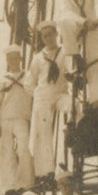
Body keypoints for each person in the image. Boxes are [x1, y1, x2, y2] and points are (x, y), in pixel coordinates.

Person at [25, 23, 70, 186]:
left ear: (56, 34)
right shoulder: (38, 58)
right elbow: (29, 83)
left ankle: (71, 133)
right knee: (44, 134)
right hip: (43, 96)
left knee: (73, 106)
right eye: (45, 36)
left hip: (60, 93)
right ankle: (46, 172)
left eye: (51, 34)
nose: (48, 38)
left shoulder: (65, 52)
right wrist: (39, 96)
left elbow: (71, 70)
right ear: (42, 39)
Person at [0, 45, 35, 194]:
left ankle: (25, 183)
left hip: (21, 117)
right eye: (10, 59)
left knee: (24, 148)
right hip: (5, 119)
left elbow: (34, 95)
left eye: (15, 58)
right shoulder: (2, 79)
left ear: (20, 59)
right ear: (7, 60)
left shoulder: (27, 76)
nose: (13, 61)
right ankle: (10, 186)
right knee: (7, 152)